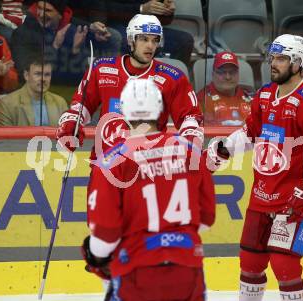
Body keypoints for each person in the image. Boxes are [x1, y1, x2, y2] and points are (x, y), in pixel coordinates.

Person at [210, 34, 303, 301]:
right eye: (272, 58)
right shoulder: (265, 94)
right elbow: (250, 133)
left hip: (296, 198)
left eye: (281, 59)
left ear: (298, 62)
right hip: (262, 195)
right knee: (250, 262)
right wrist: (225, 149)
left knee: (285, 266)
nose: (273, 64)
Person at [81, 78, 216, 300]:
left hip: (138, 272)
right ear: (160, 108)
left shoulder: (112, 161)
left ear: (123, 110)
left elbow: (106, 236)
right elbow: (206, 218)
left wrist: (96, 256)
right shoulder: (190, 151)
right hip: (187, 270)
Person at [56, 13, 203, 155]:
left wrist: (190, 139)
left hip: (149, 165)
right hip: (106, 163)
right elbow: (80, 106)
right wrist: (71, 123)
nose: (150, 46)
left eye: (154, 40)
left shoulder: (173, 77)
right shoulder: (101, 69)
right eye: (144, 39)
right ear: (130, 40)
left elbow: (190, 117)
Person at [10, 0, 120, 86]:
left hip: (65, 84)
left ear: (60, 15)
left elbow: (78, 75)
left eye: (48, 11)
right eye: (39, 8)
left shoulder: (71, 32)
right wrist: (55, 46)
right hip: (37, 87)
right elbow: (29, 74)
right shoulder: (24, 33)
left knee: (114, 36)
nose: (41, 14)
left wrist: (75, 50)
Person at [98, 0, 194, 66]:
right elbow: (106, 9)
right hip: (120, 24)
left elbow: (166, 21)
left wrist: (167, 11)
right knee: (130, 41)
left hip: (147, 26)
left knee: (185, 41)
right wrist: (141, 9)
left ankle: (174, 80)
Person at [0, 57, 68, 126]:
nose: (43, 79)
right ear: (26, 75)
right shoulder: (6, 105)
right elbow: (2, 140)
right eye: (38, 74)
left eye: (47, 75)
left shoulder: (60, 103)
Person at [196, 51, 252, 126]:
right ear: (213, 75)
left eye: (232, 72)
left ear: (238, 74)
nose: (227, 77)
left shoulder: (250, 96)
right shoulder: (202, 99)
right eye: (221, 72)